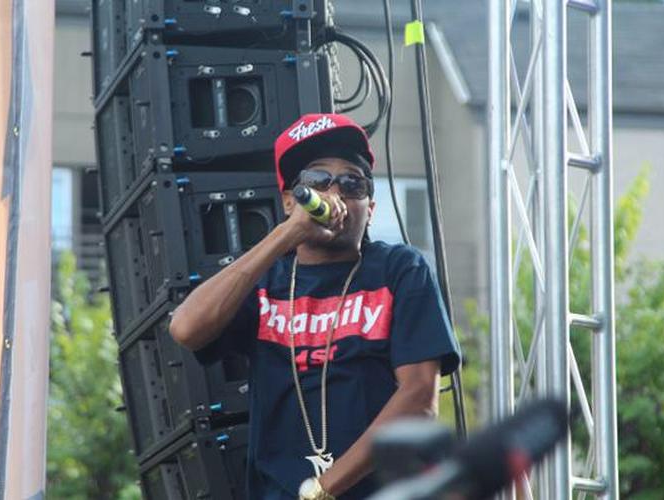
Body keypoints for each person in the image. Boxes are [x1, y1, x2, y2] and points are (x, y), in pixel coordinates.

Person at [170, 113, 461, 500]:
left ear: (370, 208)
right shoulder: (265, 283)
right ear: (290, 201)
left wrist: (321, 490)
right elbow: (186, 328)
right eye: (317, 180)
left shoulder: (398, 270)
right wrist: (286, 234)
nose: (334, 191)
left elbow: (420, 398)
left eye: (352, 183)